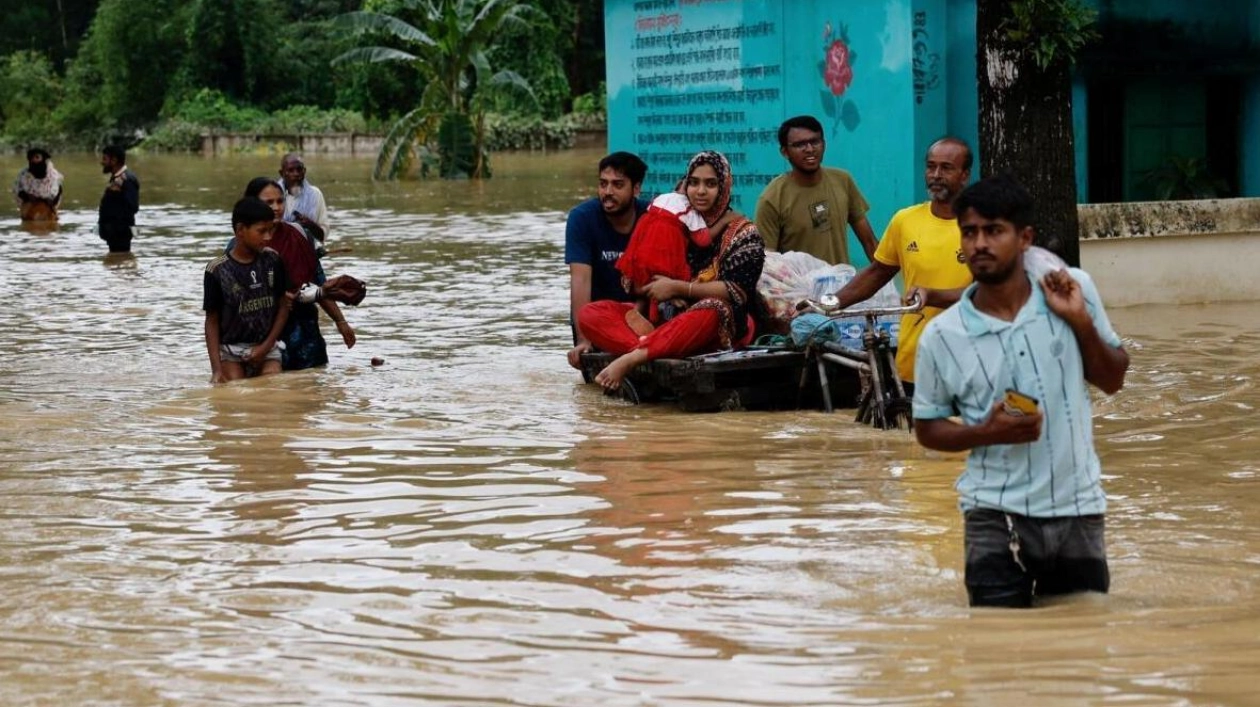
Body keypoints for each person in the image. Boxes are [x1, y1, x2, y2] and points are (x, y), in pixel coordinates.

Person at [912, 175, 1130, 608]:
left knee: (1079, 642)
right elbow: (927, 429)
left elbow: (1113, 379)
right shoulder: (942, 336)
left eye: (994, 230)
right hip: (991, 512)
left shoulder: (1073, 290)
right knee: (996, 649)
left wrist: (1079, 322)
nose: (979, 244)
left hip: (1077, 507)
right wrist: (985, 433)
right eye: (970, 232)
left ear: (1024, 238)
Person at [578, 150, 766, 391]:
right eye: (694, 183)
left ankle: (634, 357)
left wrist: (678, 288)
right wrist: (651, 286)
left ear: (724, 187)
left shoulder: (743, 232)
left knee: (714, 309)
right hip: (665, 324)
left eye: (710, 184)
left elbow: (736, 291)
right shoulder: (673, 222)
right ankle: (656, 347)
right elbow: (634, 281)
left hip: (717, 327)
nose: (700, 191)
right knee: (592, 313)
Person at [826, 137, 975, 390]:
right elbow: (878, 272)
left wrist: (932, 295)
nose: (936, 175)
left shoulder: (983, 226)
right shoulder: (905, 221)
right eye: (931, 166)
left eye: (946, 168)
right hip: (913, 361)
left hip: (971, 364)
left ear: (965, 175)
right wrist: (830, 302)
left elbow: (991, 293)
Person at [233, 177, 356, 371]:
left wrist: (340, 321)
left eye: (280, 201)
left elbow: (317, 281)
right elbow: (235, 298)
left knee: (310, 388)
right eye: (269, 202)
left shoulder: (299, 234)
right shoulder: (241, 244)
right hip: (262, 335)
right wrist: (277, 299)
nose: (276, 208)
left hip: (305, 332)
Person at [564, 152, 650, 369]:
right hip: (597, 320)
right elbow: (580, 281)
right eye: (603, 184)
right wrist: (584, 340)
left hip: (641, 314)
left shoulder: (651, 217)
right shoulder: (581, 218)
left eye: (618, 185)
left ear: (636, 189)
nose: (608, 192)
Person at [754, 115, 878, 265]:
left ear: (824, 144)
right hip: (799, 288)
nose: (810, 149)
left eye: (815, 142)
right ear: (785, 152)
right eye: (800, 145)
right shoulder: (772, 199)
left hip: (843, 287)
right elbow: (768, 263)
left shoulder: (843, 180)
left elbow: (869, 242)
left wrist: (888, 285)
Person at [203, 197, 294, 383]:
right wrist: (216, 370)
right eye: (261, 231)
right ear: (240, 230)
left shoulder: (273, 260)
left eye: (270, 231)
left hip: (268, 348)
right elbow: (211, 321)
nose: (268, 237)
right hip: (231, 351)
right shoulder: (217, 270)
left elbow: (283, 307)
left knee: (273, 386)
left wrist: (265, 347)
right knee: (236, 391)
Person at [617, 188, 730, 327]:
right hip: (666, 254)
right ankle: (655, 322)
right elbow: (703, 240)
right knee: (665, 288)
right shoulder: (688, 208)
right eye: (694, 183)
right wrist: (724, 221)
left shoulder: (662, 197)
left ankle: (638, 312)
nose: (700, 191)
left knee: (645, 285)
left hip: (641, 247)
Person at [279, 153, 329, 251]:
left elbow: (323, 236)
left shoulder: (315, 194)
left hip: (306, 253)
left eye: (299, 169)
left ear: (304, 171)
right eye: (291, 170)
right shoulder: (273, 195)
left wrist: (309, 225)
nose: (296, 174)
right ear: (282, 173)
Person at [98, 145, 140, 253]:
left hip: (120, 233)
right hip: (114, 233)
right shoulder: (117, 178)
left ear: (114, 160)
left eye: (104, 159)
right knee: (117, 263)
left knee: (121, 262)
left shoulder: (127, 179)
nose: (102, 162)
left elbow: (133, 207)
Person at [13, 147, 63, 222]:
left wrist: (51, 201)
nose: (34, 160)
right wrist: (28, 197)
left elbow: (58, 190)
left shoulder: (52, 175)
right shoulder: (23, 174)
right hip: (29, 202)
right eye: (31, 158)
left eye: (37, 157)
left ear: (43, 159)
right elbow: (17, 190)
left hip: (49, 203)